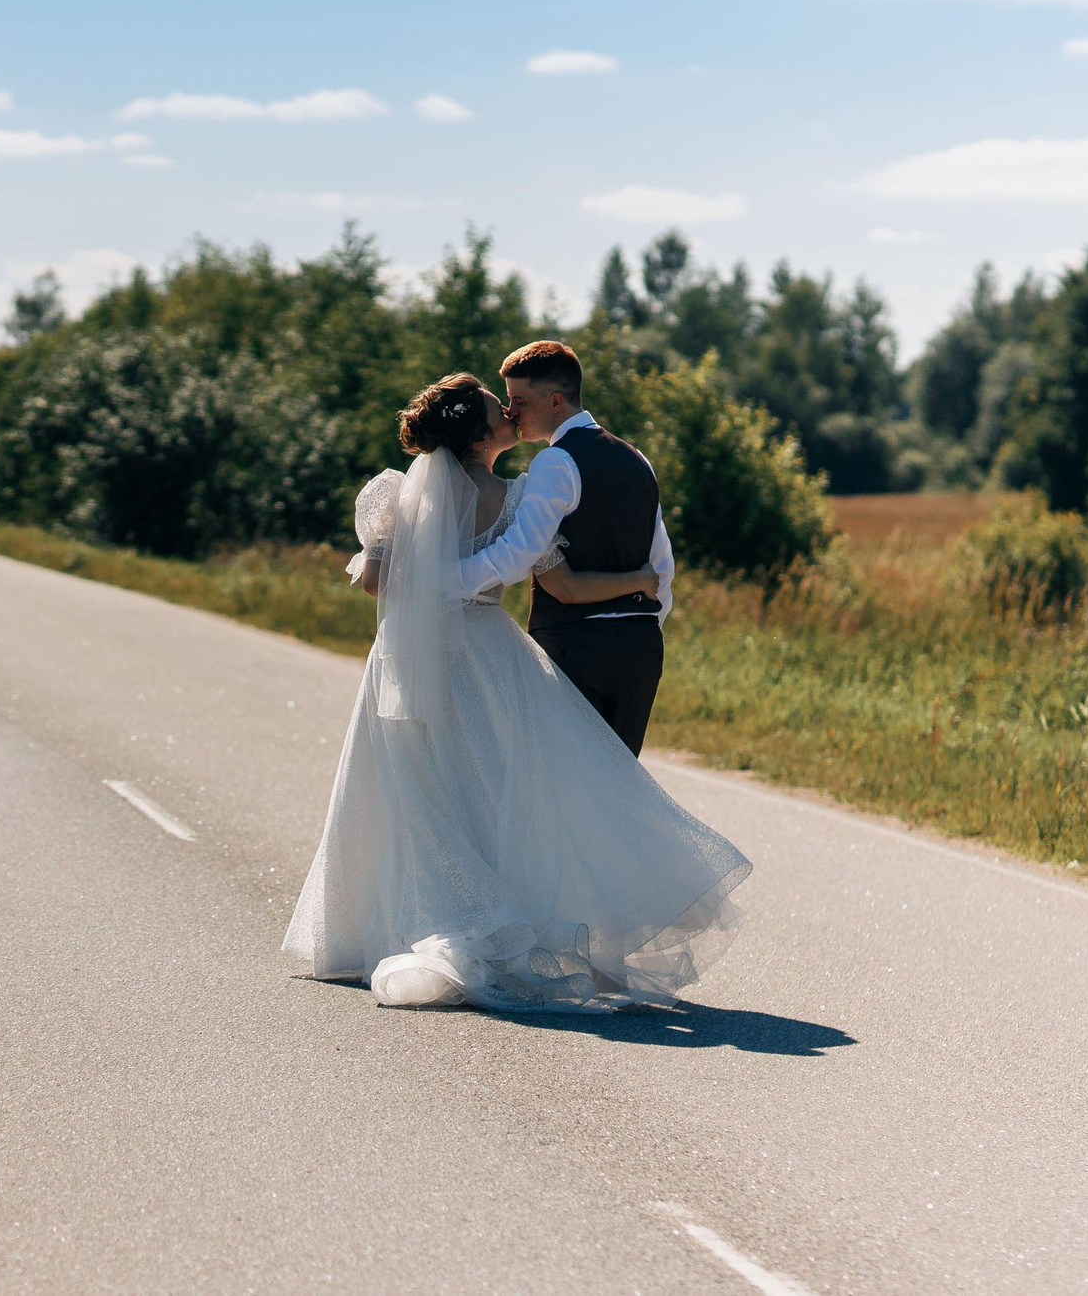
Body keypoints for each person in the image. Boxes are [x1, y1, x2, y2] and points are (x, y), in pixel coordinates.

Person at [282, 373, 749, 1011]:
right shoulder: (516, 499)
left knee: (407, 787)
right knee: (489, 788)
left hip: (404, 655)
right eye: (495, 407)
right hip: (483, 654)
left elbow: (375, 582)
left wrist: (411, 576)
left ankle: (378, 929)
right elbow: (564, 587)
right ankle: (491, 923)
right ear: (480, 434)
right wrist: (640, 579)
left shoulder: (401, 497)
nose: (509, 411)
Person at [459, 340, 671, 757]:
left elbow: (516, 556)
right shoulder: (637, 458)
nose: (511, 412)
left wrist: (442, 579)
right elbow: (662, 564)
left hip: (577, 648)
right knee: (616, 790)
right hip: (641, 652)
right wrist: (644, 630)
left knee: (566, 793)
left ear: (555, 401)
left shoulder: (555, 462)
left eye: (518, 400)